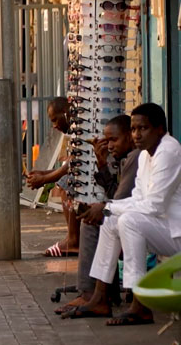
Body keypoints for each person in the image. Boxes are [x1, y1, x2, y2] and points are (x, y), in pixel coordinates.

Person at [84, 103, 181, 326]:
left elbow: (154, 206)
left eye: (142, 128)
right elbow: (138, 198)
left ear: (159, 129)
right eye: (134, 129)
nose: (136, 135)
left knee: (129, 220)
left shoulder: (169, 151)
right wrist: (106, 207)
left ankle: (140, 305)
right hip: (161, 229)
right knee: (112, 220)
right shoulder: (146, 155)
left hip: (175, 233)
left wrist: (107, 206)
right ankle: (100, 297)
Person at [57, 115, 138, 317]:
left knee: (95, 223)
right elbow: (116, 196)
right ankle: (94, 294)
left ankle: (90, 294)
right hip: (133, 217)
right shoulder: (125, 159)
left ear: (129, 137)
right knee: (96, 220)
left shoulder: (135, 158)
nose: (109, 146)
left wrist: (102, 208)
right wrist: (102, 165)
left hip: (144, 223)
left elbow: (119, 201)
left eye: (114, 140)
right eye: (107, 140)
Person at [27, 97, 78, 257]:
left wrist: (45, 179)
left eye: (55, 120)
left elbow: (74, 164)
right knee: (65, 182)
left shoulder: (79, 128)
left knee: (65, 184)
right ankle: (74, 237)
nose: (54, 126)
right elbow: (72, 162)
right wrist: (44, 174)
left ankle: (74, 239)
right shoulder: (75, 130)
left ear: (66, 113)